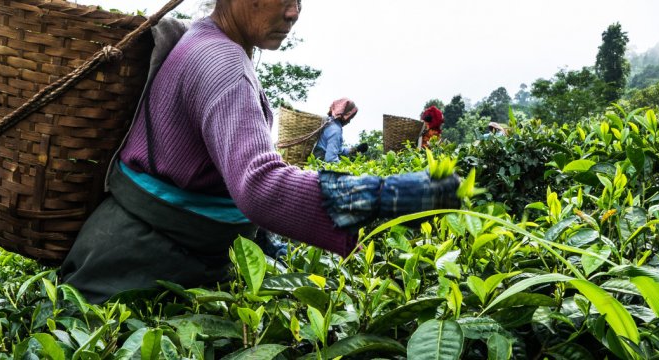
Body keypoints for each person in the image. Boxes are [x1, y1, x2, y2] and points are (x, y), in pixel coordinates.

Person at [59, 0, 461, 303]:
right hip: (137, 272)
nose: (293, 12)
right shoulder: (220, 61)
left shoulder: (207, 40)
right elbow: (260, 186)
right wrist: (389, 197)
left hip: (139, 255)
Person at [312, 98, 369, 163]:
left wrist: (353, 150)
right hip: (320, 160)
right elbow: (331, 158)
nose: (349, 121)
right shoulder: (335, 130)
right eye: (350, 118)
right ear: (345, 115)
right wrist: (346, 167)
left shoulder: (329, 122)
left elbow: (336, 148)